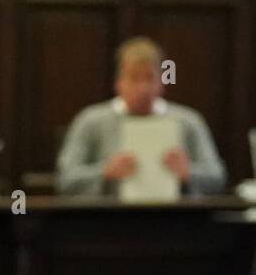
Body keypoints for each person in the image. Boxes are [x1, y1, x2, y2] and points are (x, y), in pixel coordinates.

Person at [55, 36, 226, 197]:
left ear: (162, 82)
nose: (143, 88)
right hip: (107, 218)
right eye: (134, 78)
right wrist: (105, 172)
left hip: (174, 218)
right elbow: (65, 180)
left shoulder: (188, 121)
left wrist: (188, 172)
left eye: (149, 78)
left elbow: (218, 178)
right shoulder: (90, 121)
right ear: (118, 82)